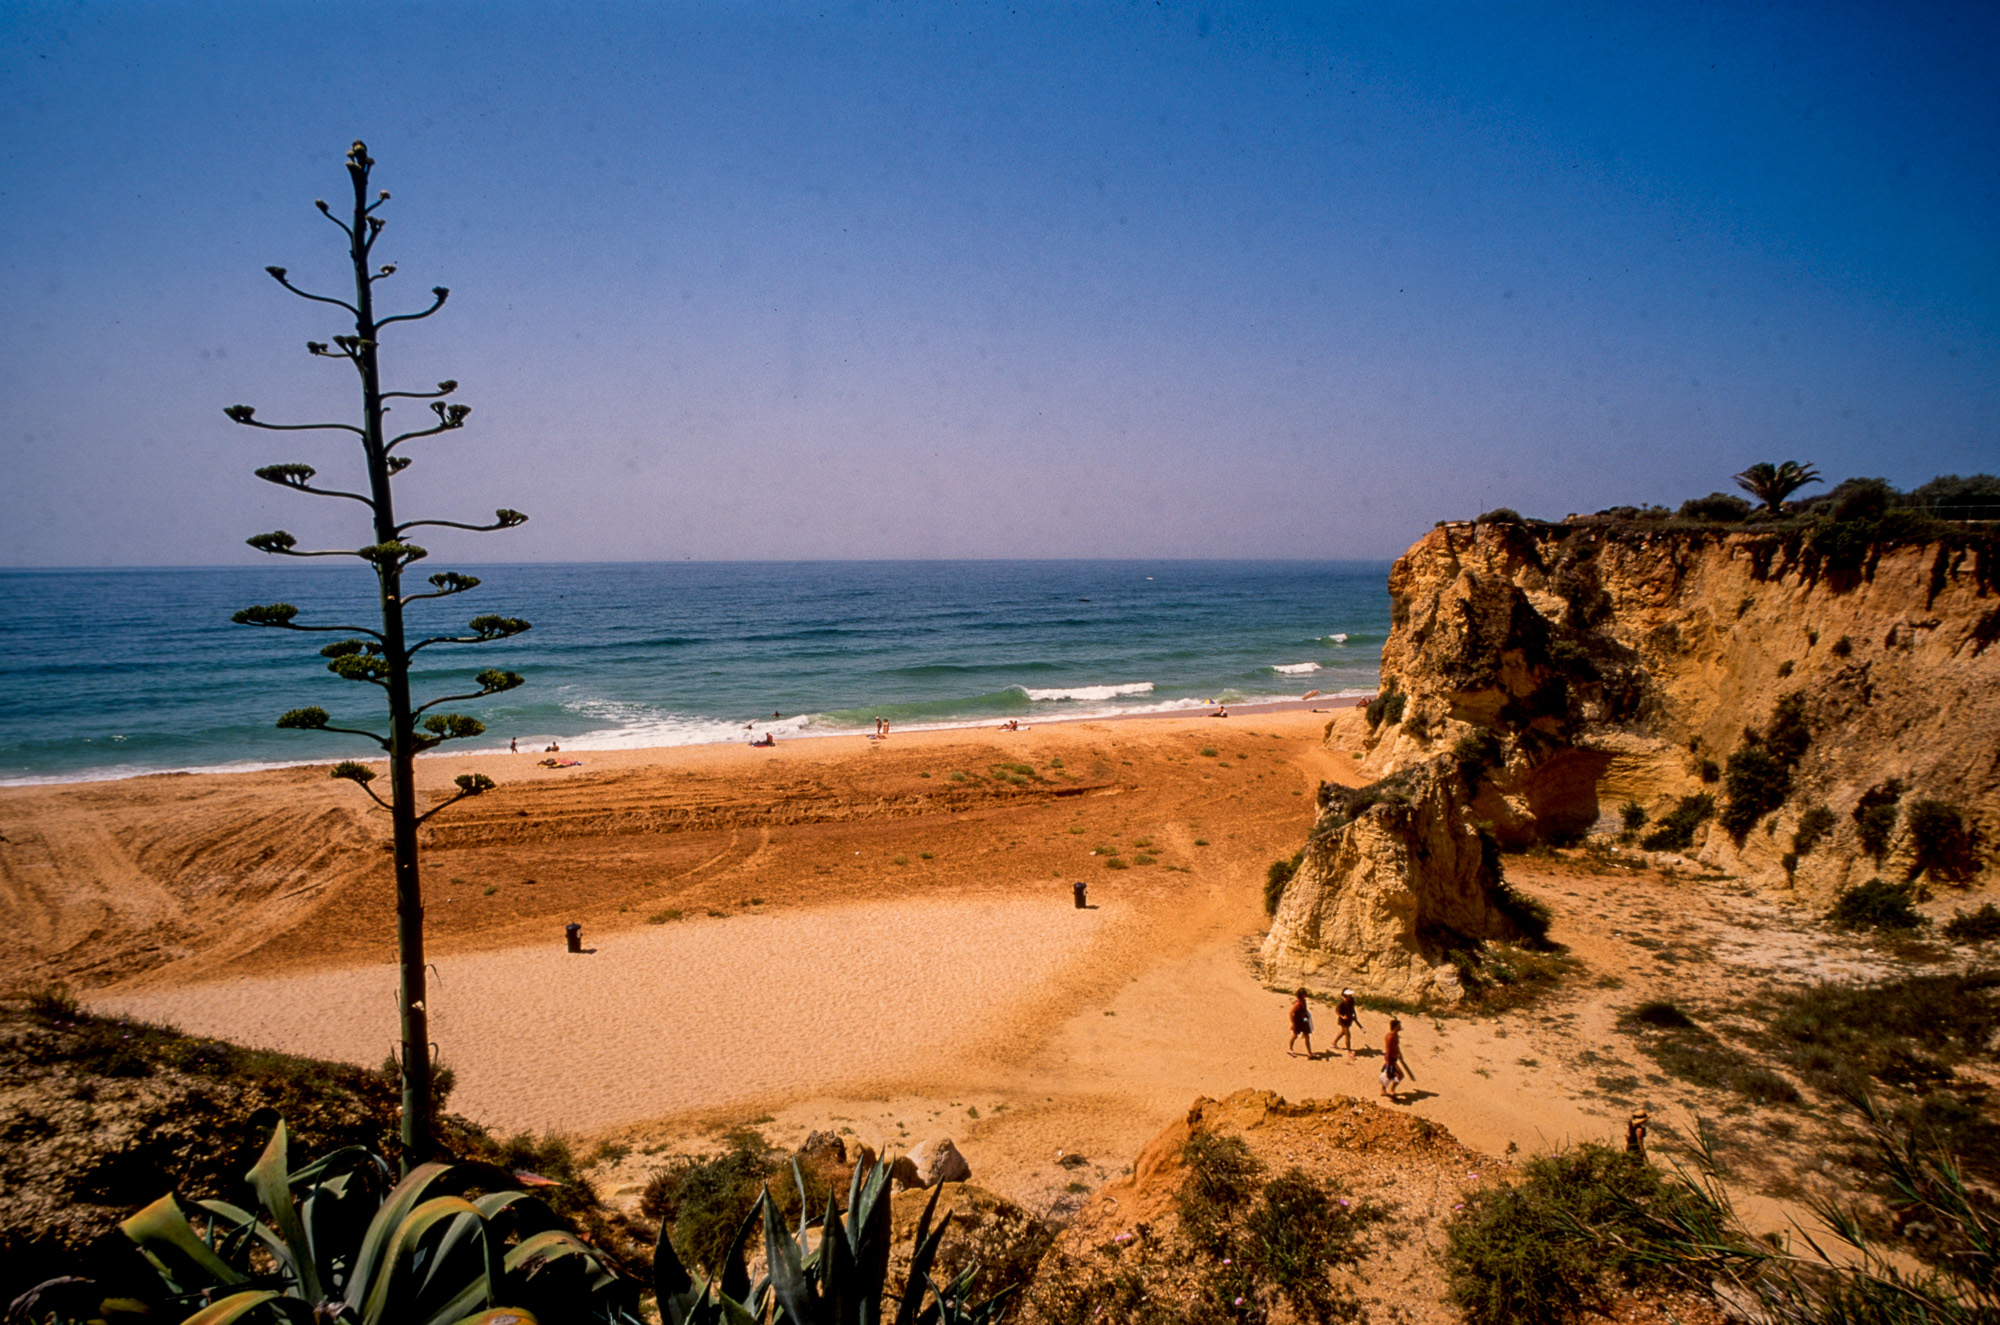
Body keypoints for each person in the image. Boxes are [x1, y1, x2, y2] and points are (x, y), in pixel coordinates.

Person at [1380, 1018, 1416, 1098]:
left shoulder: (1396, 1035)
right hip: (1390, 1059)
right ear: (1395, 1027)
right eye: (1399, 1026)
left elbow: (1396, 1046)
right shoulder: (1390, 1037)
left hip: (1394, 1058)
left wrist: (1399, 1054)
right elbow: (1388, 1050)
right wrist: (1388, 1062)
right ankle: (1391, 1089)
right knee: (1399, 1074)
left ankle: (1384, 1090)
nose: (1400, 1027)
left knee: (1388, 1075)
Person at [1333, 988, 1363, 1059]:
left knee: (1343, 1032)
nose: (1350, 996)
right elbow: (1337, 1011)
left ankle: (1334, 1042)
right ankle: (1349, 1051)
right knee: (1348, 1035)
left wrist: (1355, 1015)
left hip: (1349, 1019)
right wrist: (1342, 1017)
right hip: (1343, 1021)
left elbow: (1352, 1008)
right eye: (1349, 995)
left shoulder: (1351, 1000)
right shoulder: (1341, 1003)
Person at [1287, 987, 1315, 1059]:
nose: (1306, 994)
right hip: (1298, 1022)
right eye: (1304, 993)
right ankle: (1290, 1049)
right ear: (1301, 994)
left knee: (1307, 1036)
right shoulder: (1298, 1003)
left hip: (1304, 1021)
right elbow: (1290, 1013)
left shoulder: (1304, 1001)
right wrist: (1293, 1024)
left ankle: (1309, 1053)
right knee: (1295, 1036)